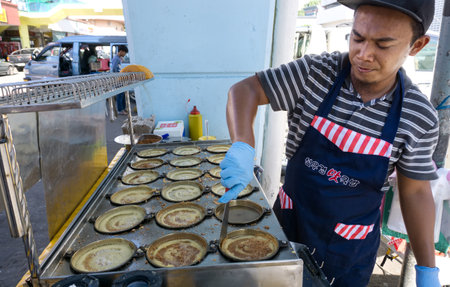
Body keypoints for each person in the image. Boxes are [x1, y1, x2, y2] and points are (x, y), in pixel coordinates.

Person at [218, 0, 440, 286]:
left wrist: (426, 269)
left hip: (348, 251)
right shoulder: (316, 73)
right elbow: (245, 90)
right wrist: (243, 145)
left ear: (416, 45)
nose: (364, 54)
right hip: (288, 226)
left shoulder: (418, 116)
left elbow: (416, 193)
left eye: (383, 45)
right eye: (357, 37)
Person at [111, 45, 129, 115]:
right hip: (118, 79)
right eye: (125, 53)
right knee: (120, 94)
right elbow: (114, 69)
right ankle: (120, 109)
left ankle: (123, 108)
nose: (125, 54)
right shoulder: (116, 59)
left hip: (120, 78)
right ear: (121, 51)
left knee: (123, 94)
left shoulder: (119, 58)